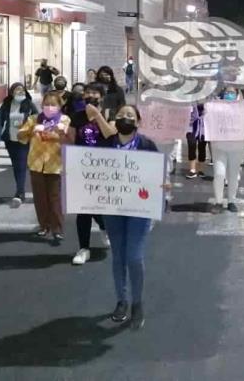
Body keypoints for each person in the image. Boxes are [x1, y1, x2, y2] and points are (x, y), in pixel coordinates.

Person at [92, 104, 159, 330]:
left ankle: (137, 303)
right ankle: (121, 300)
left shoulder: (147, 145)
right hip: (113, 208)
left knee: (134, 257)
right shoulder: (106, 145)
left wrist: (162, 191)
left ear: (138, 122)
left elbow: (158, 174)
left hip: (139, 210)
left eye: (130, 116)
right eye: (120, 115)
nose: (124, 118)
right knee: (118, 256)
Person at [67, 83, 112, 265]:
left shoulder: (110, 114)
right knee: (83, 208)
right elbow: (70, 139)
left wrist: (97, 116)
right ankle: (83, 248)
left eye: (95, 93)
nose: (91, 95)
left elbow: (110, 135)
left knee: (98, 206)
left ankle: (103, 226)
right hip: (82, 168)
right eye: (88, 92)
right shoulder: (76, 117)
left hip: (105, 168)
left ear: (101, 97)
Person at [17, 92, 70, 244]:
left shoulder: (64, 120)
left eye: (53, 104)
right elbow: (20, 136)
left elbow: (66, 138)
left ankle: (57, 229)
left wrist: (59, 132)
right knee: (40, 198)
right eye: (46, 104)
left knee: (55, 197)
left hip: (55, 164)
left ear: (60, 106)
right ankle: (44, 226)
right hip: (36, 163)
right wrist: (30, 130)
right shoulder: (34, 119)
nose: (49, 107)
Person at [0, 83, 38, 207]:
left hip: (24, 140)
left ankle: (20, 192)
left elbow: (37, 119)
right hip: (10, 140)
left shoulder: (29, 104)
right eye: (16, 90)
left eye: (21, 90)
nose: (19, 92)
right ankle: (20, 190)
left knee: (22, 165)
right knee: (16, 166)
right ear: (12, 92)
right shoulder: (7, 105)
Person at [209, 86, 244, 213]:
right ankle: (218, 201)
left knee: (233, 175)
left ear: (237, 94)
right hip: (219, 147)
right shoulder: (216, 106)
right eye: (227, 92)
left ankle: (232, 200)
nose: (229, 94)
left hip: (236, 147)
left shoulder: (243, 108)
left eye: (232, 92)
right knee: (219, 174)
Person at [185, 104, 207, 179]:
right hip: (190, 127)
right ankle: (192, 170)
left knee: (202, 147)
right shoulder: (190, 99)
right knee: (191, 145)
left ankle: (200, 169)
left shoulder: (209, 98)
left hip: (204, 128)